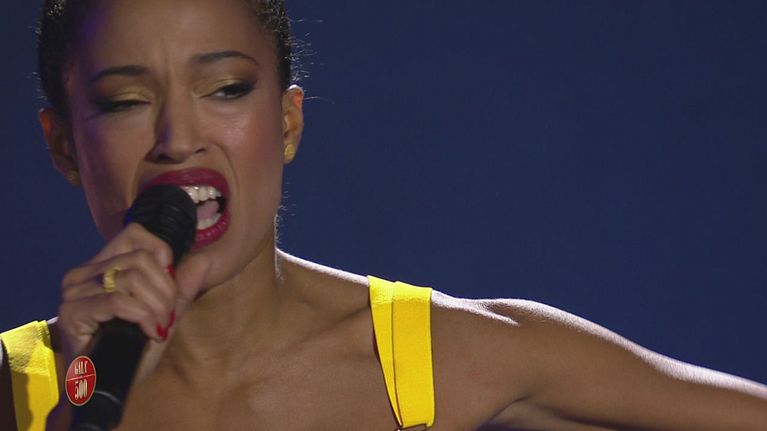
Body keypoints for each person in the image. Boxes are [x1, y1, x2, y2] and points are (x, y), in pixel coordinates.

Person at [1, 0, 766, 430]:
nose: (178, 138)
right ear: (63, 145)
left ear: (288, 122)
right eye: (125, 101)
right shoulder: (21, 387)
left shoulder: (449, 355)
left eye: (226, 88)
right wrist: (84, 399)